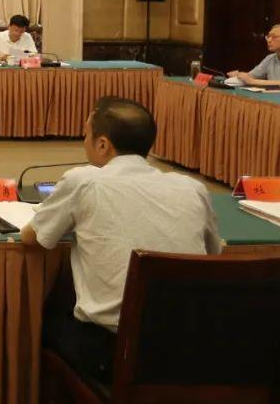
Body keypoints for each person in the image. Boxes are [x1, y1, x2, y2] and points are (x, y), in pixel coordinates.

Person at [21, 96, 220, 385]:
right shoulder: (193, 188)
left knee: (41, 319)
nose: (84, 141)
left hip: (113, 351)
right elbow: (214, 255)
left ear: (103, 145)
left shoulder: (84, 180)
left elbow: (32, 237)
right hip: (188, 348)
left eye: (86, 135)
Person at [227, 23, 280, 90]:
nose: (269, 40)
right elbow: (251, 76)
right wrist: (239, 75)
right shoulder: (270, 58)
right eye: (268, 36)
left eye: (274, 37)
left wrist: (252, 81)